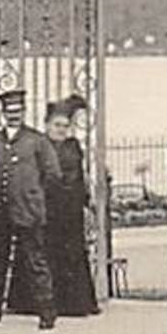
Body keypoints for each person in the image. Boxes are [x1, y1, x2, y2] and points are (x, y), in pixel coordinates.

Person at [0, 89, 62, 330]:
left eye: (18, 111)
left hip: (27, 210)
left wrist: (34, 194)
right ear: (3, 113)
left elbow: (53, 175)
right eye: (9, 111)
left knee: (36, 261)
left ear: (24, 112)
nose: (13, 116)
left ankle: (47, 312)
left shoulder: (37, 140)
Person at [42, 99, 100, 316]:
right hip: (47, 208)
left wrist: (85, 202)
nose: (61, 130)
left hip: (70, 211)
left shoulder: (73, 146)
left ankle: (76, 304)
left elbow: (80, 178)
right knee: (46, 255)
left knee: (73, 255)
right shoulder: (41, 145)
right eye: (57, 125)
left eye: (65, 126)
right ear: (47, 125)